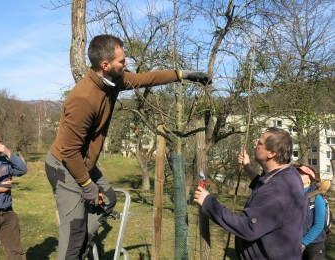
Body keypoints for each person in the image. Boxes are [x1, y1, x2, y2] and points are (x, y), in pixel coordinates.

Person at [45, 34, 211, 260]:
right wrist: (86, 185)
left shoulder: (113, 82)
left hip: (85, 162)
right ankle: (75, 245)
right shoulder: (83, 98)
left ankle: (80, 244)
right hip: (64, 167)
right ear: (105, 65)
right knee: (74, 229)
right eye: (122, 61)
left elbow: (147, 79)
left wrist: (182, 75)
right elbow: (69, 152)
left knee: (108, 200)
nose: (126, 64)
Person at [194, 127, 305, 259]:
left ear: (271, 153)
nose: (255, 144)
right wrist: (247, 167)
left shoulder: (277, 192)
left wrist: (208, 203)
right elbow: (264, 185)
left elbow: (247, 226)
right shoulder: (288, 174)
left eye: (260, 143)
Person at [0, 135, 27, 260]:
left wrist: (7, 152)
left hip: (8, 213)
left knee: (16, 253)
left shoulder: (4, 161)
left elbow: (23, 169)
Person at [297, 165, 327, 260]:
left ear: (310, 179)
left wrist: (303, 242)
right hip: (294, 243)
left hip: (314, 245)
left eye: (302, 173)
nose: (298, 174)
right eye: (297, 172)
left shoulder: (317, 197)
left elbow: (319, 225)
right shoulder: (292, 195)